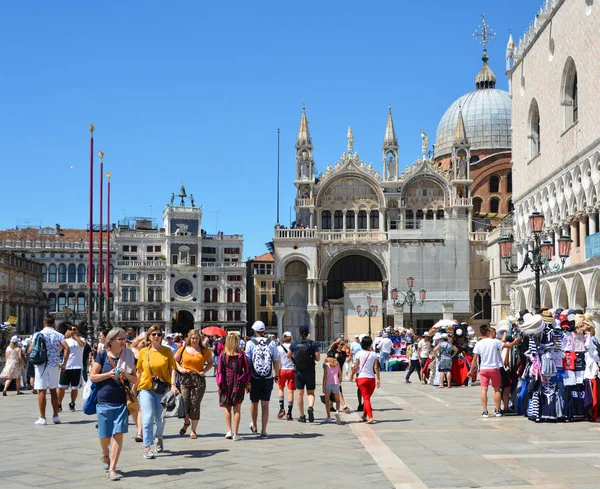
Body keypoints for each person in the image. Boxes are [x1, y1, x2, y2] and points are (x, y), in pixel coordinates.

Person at [90, 327, 137, 481]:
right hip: (104, 401)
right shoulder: (102, 355)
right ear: (111, 341)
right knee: (104, 436)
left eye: (125, 339)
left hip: (122, 401)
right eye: (120, 339)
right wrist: (109, 374)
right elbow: (93, 377)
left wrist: (126, 375)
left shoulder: (129, 355)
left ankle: (113, 468)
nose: (124, 342)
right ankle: (105, 454)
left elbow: (136, 379)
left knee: (118, 434)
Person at [136, 324, 178, 459]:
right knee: (147, 418)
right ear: (149, 336)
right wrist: (134, 386)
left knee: (159, 419)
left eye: (159, 334)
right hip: (146, 388)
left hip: (162, 389)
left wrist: (173, 384)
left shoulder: (167, 351)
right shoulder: (143, 352)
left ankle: (159, 436)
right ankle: (147, 446)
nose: (156, 337)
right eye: (153, 334)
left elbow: (172, 369)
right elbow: (139, 371)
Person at [468, 325, 521, 417]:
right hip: (494, 368)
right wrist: (515, 341)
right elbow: (508, 345)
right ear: (488, 332)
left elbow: (474, 359)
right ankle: (497, 410)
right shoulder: (495, 342)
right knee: (496, 389)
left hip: (484, 369)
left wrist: (471, 370)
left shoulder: (478, 343)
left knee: (483, 390)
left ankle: (485, 411)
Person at [30, 314, 70, 425]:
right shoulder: (58, 335)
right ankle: (55, 416)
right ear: (53, 323)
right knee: (53, 390)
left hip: (41, 365)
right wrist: (64, 363)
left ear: (44, 323)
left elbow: (31, 349)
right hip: (54, 365)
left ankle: (42, 418)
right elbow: (67, 348)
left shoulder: (38, 334)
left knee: (42, 391)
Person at [174, 329, 213, 439]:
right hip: (185, 378)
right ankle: (187, 422)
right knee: (184, 403)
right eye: (192, 338)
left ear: (199, 339)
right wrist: (180, 368)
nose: (194, 340)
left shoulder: (204, 351)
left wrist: (204, 371)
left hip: (198, 380)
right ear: (189, 339)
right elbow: (174, 361)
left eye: (196, 338)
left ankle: (193, 430)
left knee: (195, 405)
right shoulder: (183, 349)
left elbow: (211, 362)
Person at [245, 320, 280, 438]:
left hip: (254, 377)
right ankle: (263, 430)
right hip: (267, 377)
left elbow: (248, 361)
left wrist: (247, 379)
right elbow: (276, 360)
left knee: (254, 403)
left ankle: (254, 426)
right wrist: (277, 374)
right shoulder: (272, 343)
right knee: (265, 404)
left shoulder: (250, 343)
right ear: (264, 331)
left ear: (255, 331)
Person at [217, 333, 251, 441]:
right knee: (237, 409)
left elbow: (219, 371)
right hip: (238, 383)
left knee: (227, 407)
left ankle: (229, 430)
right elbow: (246, 370)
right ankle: (236, 434)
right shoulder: (241, 355)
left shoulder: (223, 355)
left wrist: (219, 384)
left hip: (226, 382)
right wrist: (247, 383)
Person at [289, 325, 320, 423]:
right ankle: (310, 406)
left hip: (298, 371)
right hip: (310, 371)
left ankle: (302, 416)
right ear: (308, 333)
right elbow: (318, 358)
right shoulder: (312, 344)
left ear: (299, 333)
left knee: (299, 394)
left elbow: (288, 355)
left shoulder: (294, 344)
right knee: (310, 393)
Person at [350, 336, 380, 423]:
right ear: (370, 344)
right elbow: (376, 367)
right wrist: (378, 379)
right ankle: (364, 415)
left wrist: (351, 375)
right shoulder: (373, 354)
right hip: (371, 379)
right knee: (367, 398)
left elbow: (355, 367)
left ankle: (370, 417)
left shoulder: (359, 353)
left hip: (362, 378)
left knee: (366, 399)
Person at [58, 324, 85, 412]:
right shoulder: (66, 341)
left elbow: (82, 345)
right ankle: (59, 404)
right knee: (61, 386)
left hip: (77, 366)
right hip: (66, 366)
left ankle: (72, 403)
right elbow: (59, 349)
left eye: (74, 329)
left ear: (77, 330)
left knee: (74, 387)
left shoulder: (81, 339)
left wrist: (74, 336)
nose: (72, 330)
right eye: (71, 329)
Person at [129, 333, 146, 443]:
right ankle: (139, 429)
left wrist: (134, 388)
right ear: (138, 341)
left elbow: (140, 372)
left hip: (141, 382)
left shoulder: (146, 353)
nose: (144, 345)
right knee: (133, 408)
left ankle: (140, 431)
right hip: (129, 381)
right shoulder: (130, 352)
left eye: (146, 343)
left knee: (140, 408)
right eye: (143, 342)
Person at [276, 331, 296, 421]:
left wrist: (275, 373)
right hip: (292, 370)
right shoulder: (294, 347)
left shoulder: (279, 348)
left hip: (282, 370)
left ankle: (281, 408)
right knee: (290, 391)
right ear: (291, 338)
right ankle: (289, 413)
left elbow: (277, 361)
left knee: (280, 388)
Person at [322, 352, 342, 424]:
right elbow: (340, 373)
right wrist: (339, 381)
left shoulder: (326, 365)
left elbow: (324, 377)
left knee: (327, 401)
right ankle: (337, 411)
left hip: (328, 383)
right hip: (336, 383)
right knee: (337, 400)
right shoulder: (337, 364)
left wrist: (323, 387)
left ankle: (328, 417)